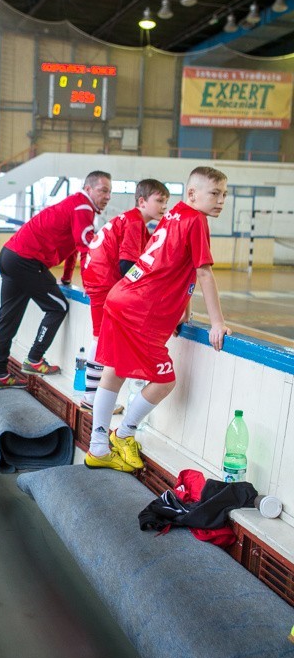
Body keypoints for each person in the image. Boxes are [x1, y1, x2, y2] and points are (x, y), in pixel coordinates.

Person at [85, 166, 231, 472]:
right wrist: (217, 322)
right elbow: (203, 272)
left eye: (225, 195)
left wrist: (185, 313)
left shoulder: (175, 213)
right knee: (165, 381)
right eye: (215, 193)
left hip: (119, 298)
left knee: (114, 370)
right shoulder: (196, 219)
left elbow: (177, 266)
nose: (221, 200)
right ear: (193, 194)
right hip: (140, 310)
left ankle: (98, 446)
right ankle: (124, 433)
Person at [0, 171, 112, 390]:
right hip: (26, 260)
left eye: (109, 192)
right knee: (58, 306)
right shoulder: (83, 208)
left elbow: (74, 247)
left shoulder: (75, 206)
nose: (108, 196)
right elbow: (86, 249)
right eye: (103, 190)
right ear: (88, 189)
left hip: (9, 255)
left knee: (7, 317)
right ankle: (35, 359)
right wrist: (90, 284)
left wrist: (66, 279)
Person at [79, 178, 170, 412]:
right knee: (100, 337)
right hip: (103, 280)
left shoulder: (133, 221)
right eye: (159, 200)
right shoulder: (134, 223)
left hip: (97, 276)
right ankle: (90, 397)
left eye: (166, 202)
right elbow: (127, 265)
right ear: (142, 201)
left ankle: (91, 395)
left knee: (101, 337)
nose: (164, 206)